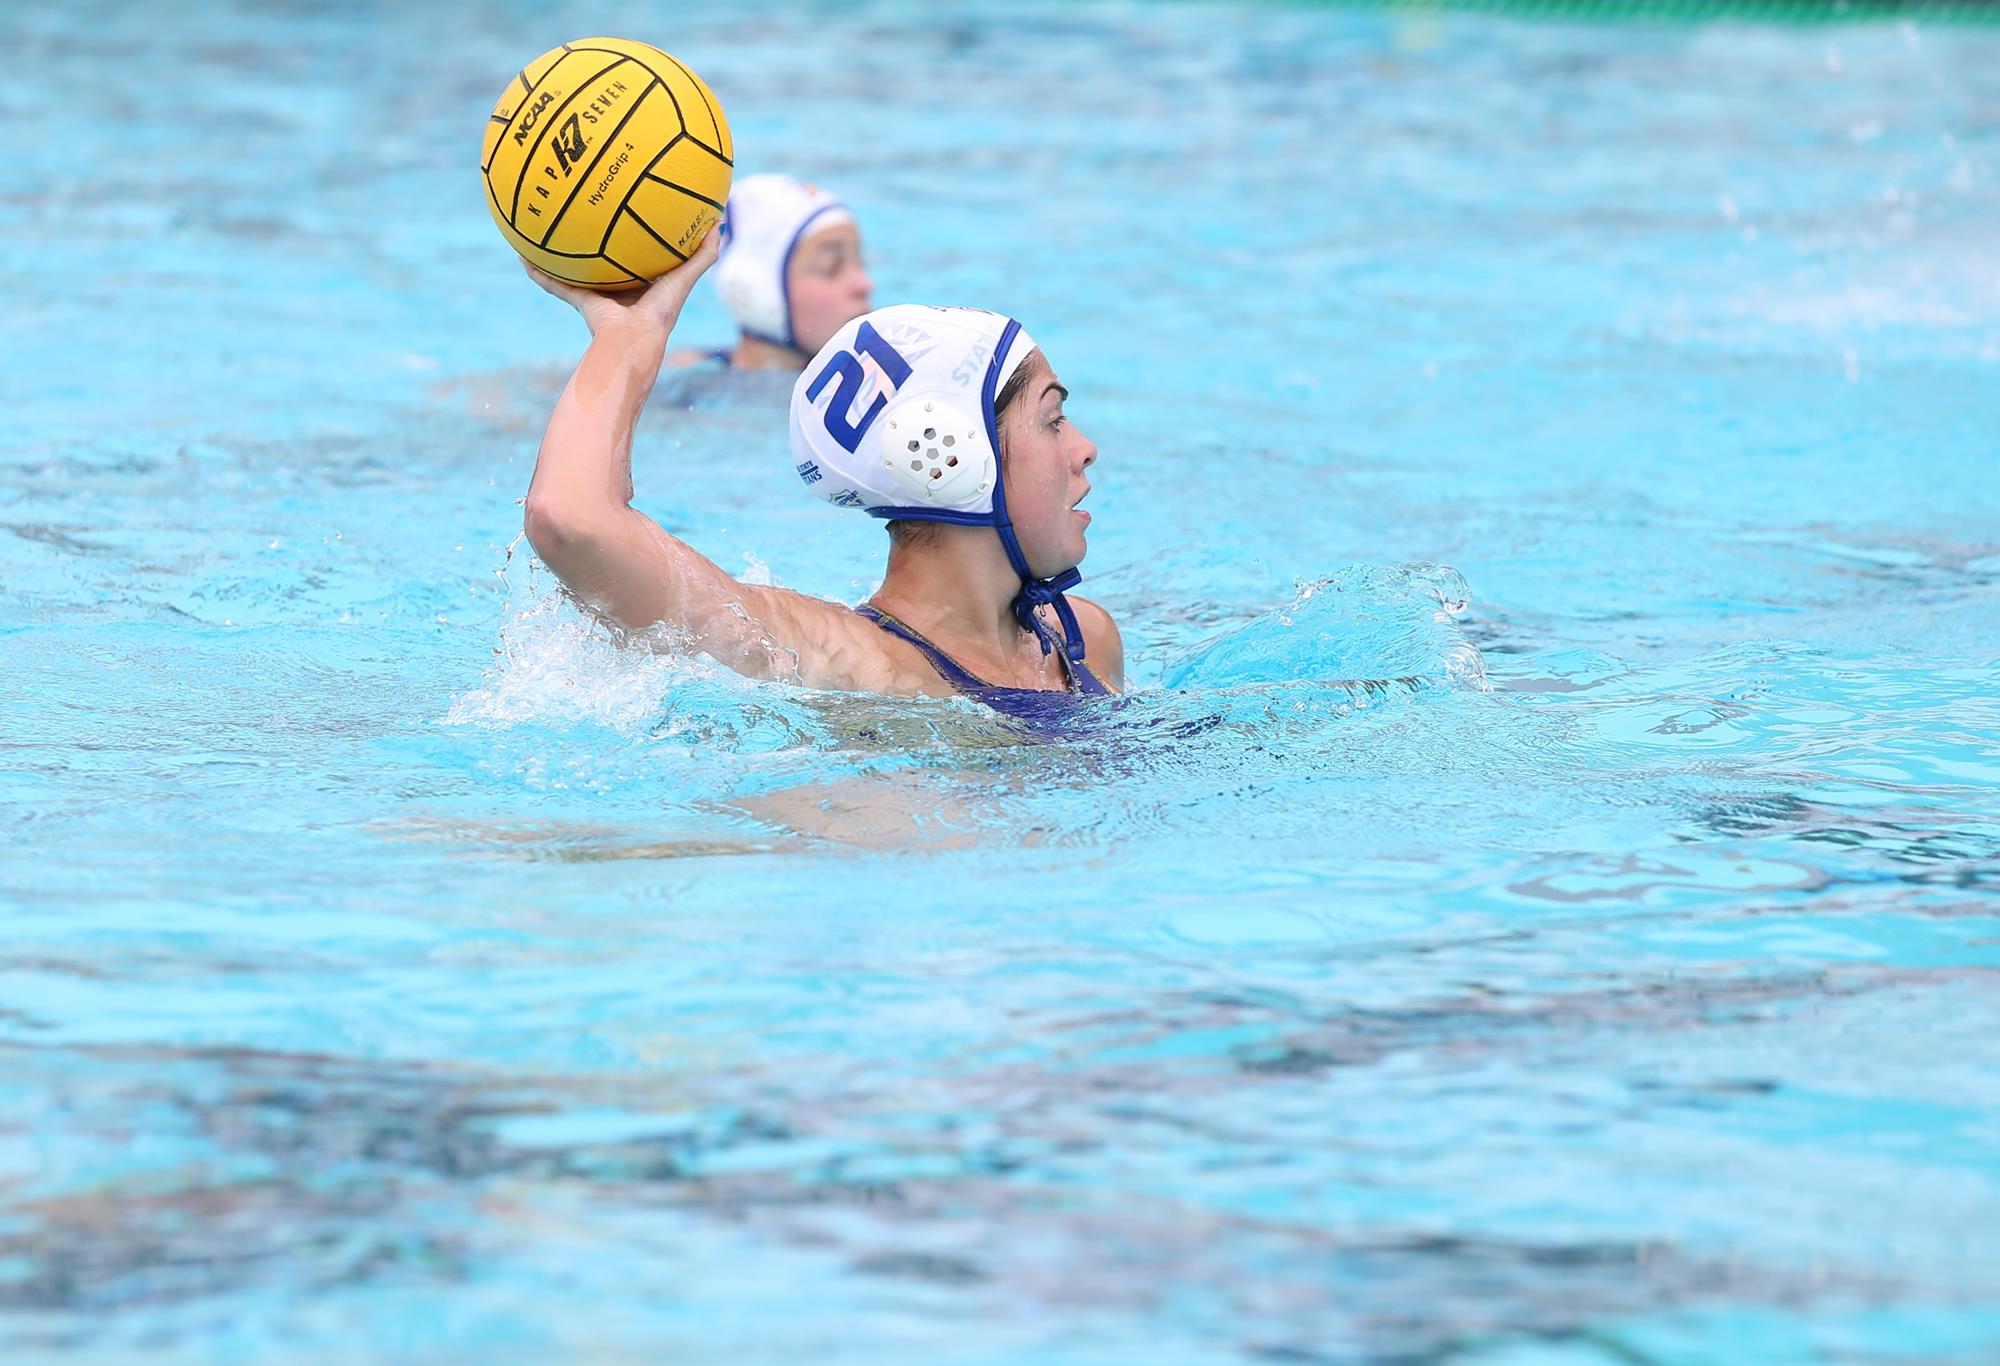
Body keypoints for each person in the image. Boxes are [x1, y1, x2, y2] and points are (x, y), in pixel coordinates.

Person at [519, 233, 1123, 716]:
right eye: (1053, 418)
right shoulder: (843, 666)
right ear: (946, 451)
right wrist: (631, 337)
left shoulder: (1087, 641)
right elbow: (571, 519)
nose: (1085, 448)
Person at [666, 174, 874, 372]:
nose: (864, 284)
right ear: (757, 289)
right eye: (832, 267)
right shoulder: (683, 384)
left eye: (860, 263)